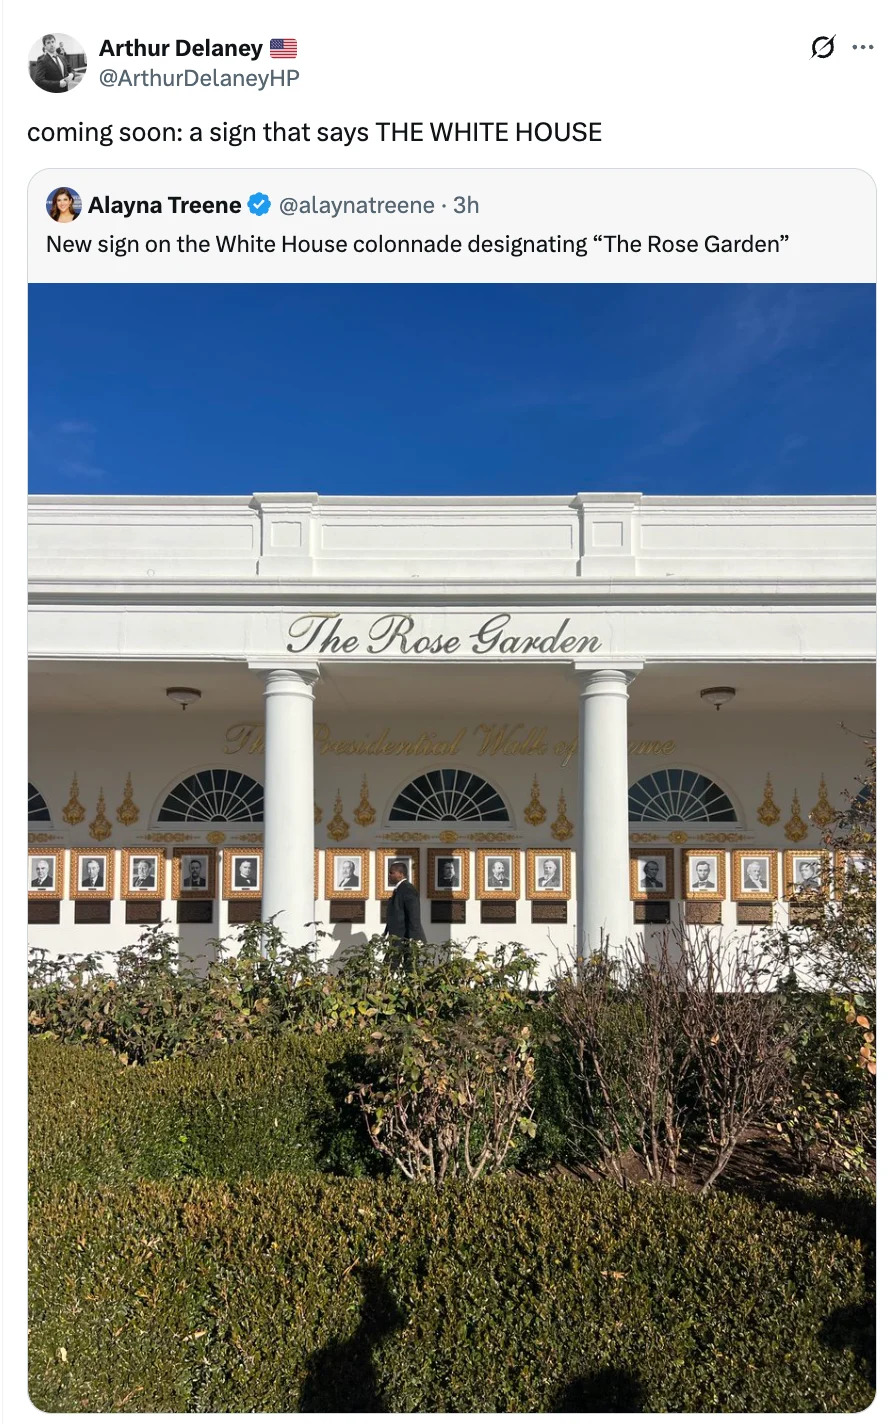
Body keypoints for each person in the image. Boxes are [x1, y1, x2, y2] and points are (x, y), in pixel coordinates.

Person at [383, 860, 426, 943]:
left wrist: (413, 939)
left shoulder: (408, 889)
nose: (389, 875)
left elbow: (413, 915)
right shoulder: (400, 889)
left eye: (392, 873)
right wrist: (386, 932)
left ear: (401, 874)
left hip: (404, 938)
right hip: (397, 937)